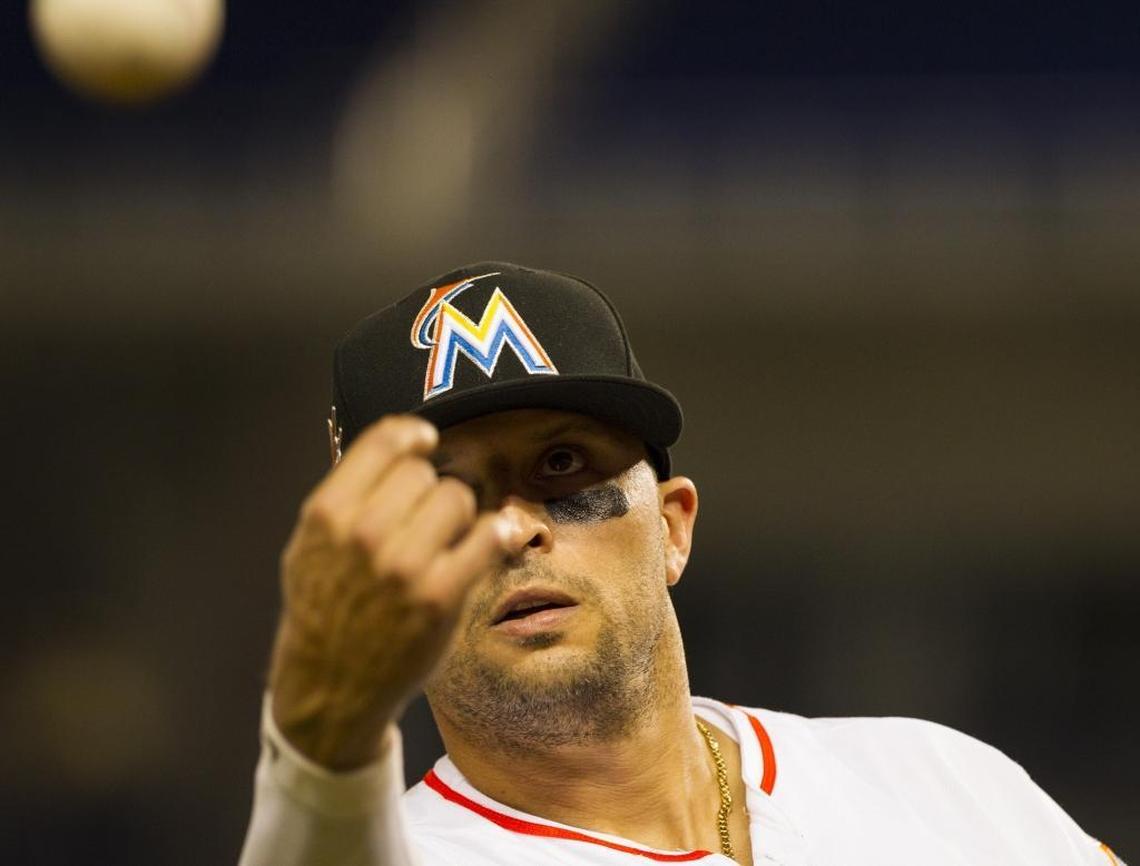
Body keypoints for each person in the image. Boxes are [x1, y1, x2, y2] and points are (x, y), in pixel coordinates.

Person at [239, 262, 1124, 866]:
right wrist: (321, 739)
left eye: (560, 467)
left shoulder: (934, 782)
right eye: (447, 498)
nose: (512, 530)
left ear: (674, 527)